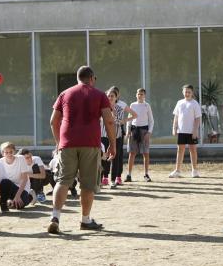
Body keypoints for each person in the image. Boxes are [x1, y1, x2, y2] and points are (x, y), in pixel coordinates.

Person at [48, 65, 116, 234]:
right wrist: (112, 144)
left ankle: (55, 217)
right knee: (87, 184)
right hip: (90, 143)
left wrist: (58, 142)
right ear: (92, 78)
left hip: (67, 142)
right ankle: (85, 220)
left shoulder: (65, 93)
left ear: (78, 78)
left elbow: (53, 121)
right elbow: (109, 121)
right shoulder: (99, 94)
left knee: (63, 180)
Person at [101, 87, 136, 188]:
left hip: (117, 135)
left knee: (115, 158)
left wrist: (123, 121)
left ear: (116, 97)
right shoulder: (102, 108)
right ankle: (105, 178)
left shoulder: (119, 108)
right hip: (104, 135)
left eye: (112, 96)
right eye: (108, 96)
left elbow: (119, 119)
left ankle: (113, 180)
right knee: (104, 156)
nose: (110, 97)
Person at [169, 84, 202, 178]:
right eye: (185, 92)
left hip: (191, 131)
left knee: (193, 150)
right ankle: (177, 170)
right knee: (180, 150)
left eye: (189, 92)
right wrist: (174, 128)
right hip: (181, 131)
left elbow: (197, 118)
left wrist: (195, 131)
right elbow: (176, 116)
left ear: (192, 93)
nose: (187, 93)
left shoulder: (195, 103)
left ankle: (194, 171)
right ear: (183, 92)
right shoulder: (179, 102)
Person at [125, 88, 154, 183]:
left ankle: (146, 174)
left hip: (144, 131)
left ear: (144, 95)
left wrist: (149, 132)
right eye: (138, 94)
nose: (140, 96)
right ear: (136, 95)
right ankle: (129, 175)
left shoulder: (147, 106)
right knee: (132, 153)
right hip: (134, 130)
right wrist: (128, 130)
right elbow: (129, 118)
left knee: (146, 153)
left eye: (142, 94)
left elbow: (151, 121)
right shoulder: (132, 105)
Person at [0, 142, 34, 209]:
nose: (9, 154)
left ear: (14, 151)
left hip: (21, 187)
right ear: (2, 153)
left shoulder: (21, 159)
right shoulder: (0, 162)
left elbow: (25, 179)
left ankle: (30, 195)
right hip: (9, 187)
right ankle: (10, 200)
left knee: (19, 206)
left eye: (11, 152)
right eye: (6, 152)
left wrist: (17, 196)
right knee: (10, 205)